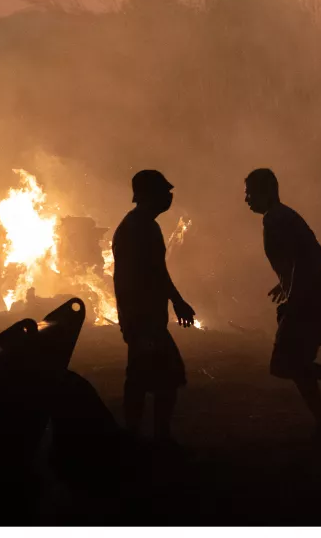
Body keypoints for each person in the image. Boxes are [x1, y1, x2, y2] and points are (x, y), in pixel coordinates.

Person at [245, 168, 321, 441]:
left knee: (282, 364)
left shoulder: (276, 220)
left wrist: (294, 298)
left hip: (311, 300)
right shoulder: (281, 216)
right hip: (314, 297)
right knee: (297, 363)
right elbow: (309, 257)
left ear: (266, 192)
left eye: (250, 192)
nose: (246, 199)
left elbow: (313, 259)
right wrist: (286, 283)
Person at [112, 169, 196, 446]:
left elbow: (156, 271)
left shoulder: (144, 225)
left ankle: (141, 436)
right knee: (159, 376)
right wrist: (177, 301)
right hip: (142, 317)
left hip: (143, 316)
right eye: (164, 191)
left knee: (148, 376)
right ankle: (148, 437)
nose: (169, 196)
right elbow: (153, 272)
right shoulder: (139, 228)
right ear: (149, 195)